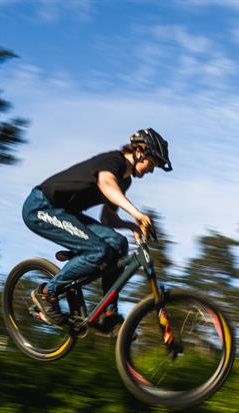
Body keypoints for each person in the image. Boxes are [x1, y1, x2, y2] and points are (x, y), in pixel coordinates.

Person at [21, 128, 172, 335]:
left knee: (119, 244)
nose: (151, 170)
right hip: (41, 207)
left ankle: (108, 314)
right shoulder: (114, 161)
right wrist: (136, 213)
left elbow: (107, 218)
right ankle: (47, 293)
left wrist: (131, 226)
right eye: (152, 163)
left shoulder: (125, 181)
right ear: (139, 151)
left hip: (66, 214)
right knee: (98, 250)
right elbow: (106, 183)